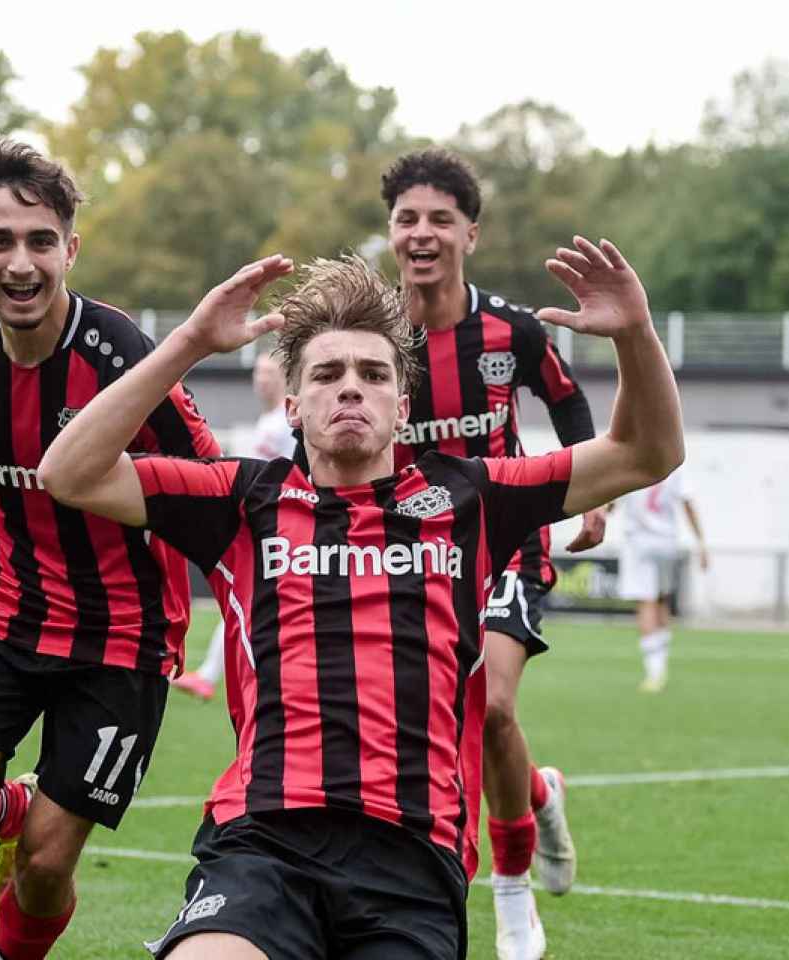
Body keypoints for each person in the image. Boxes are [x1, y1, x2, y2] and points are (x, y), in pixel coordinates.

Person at [41, 242, 682, 960]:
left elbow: (646, 452)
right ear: (292, 405)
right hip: (263, 846)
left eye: (373, 374)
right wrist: (188, 343)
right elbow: (67, 472)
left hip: (409, 861)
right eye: (328, 374)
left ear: (402, 407)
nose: (351, 388)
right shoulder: (238, 498)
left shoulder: (471, 496)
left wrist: (635, 333)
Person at [0, 139, 219, 960]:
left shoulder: (124, 361)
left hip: (124, 635)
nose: (21, 263)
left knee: (46, 865)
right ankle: (5, 811)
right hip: (8, 609)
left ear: (70, 250)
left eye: (40, 242)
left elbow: (215, 483)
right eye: (0, 241)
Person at [381, 148, 606, 957]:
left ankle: (510, 893)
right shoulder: (374, 336)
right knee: (445, 719)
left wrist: (597, 493)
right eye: (408, 219)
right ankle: (539, 792)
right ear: (391, 233)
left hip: (505, 543)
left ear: (469, 233)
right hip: (410, 552)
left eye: (440, 218)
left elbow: (570, 400)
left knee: (495, 705)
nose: (423, 233)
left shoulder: (511, 329)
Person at [171, 352, 292, 701]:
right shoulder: (270, 420)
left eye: (269, 372)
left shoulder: (282, 422)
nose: (262, 379)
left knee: (254, 598)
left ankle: (221, 675)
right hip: (265, 522)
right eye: (258, 373)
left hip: (274, 524)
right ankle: (212, 675)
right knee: (249, 597)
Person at [611, 466, 707, 691]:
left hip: (639, 541)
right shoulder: (672, 462)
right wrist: (701, 543)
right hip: (666, 541)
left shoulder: (633, 461)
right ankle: (661, 662)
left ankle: (654, 671)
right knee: (662, 598)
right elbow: (688, 503)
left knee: (646, 602)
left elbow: (611, 502)